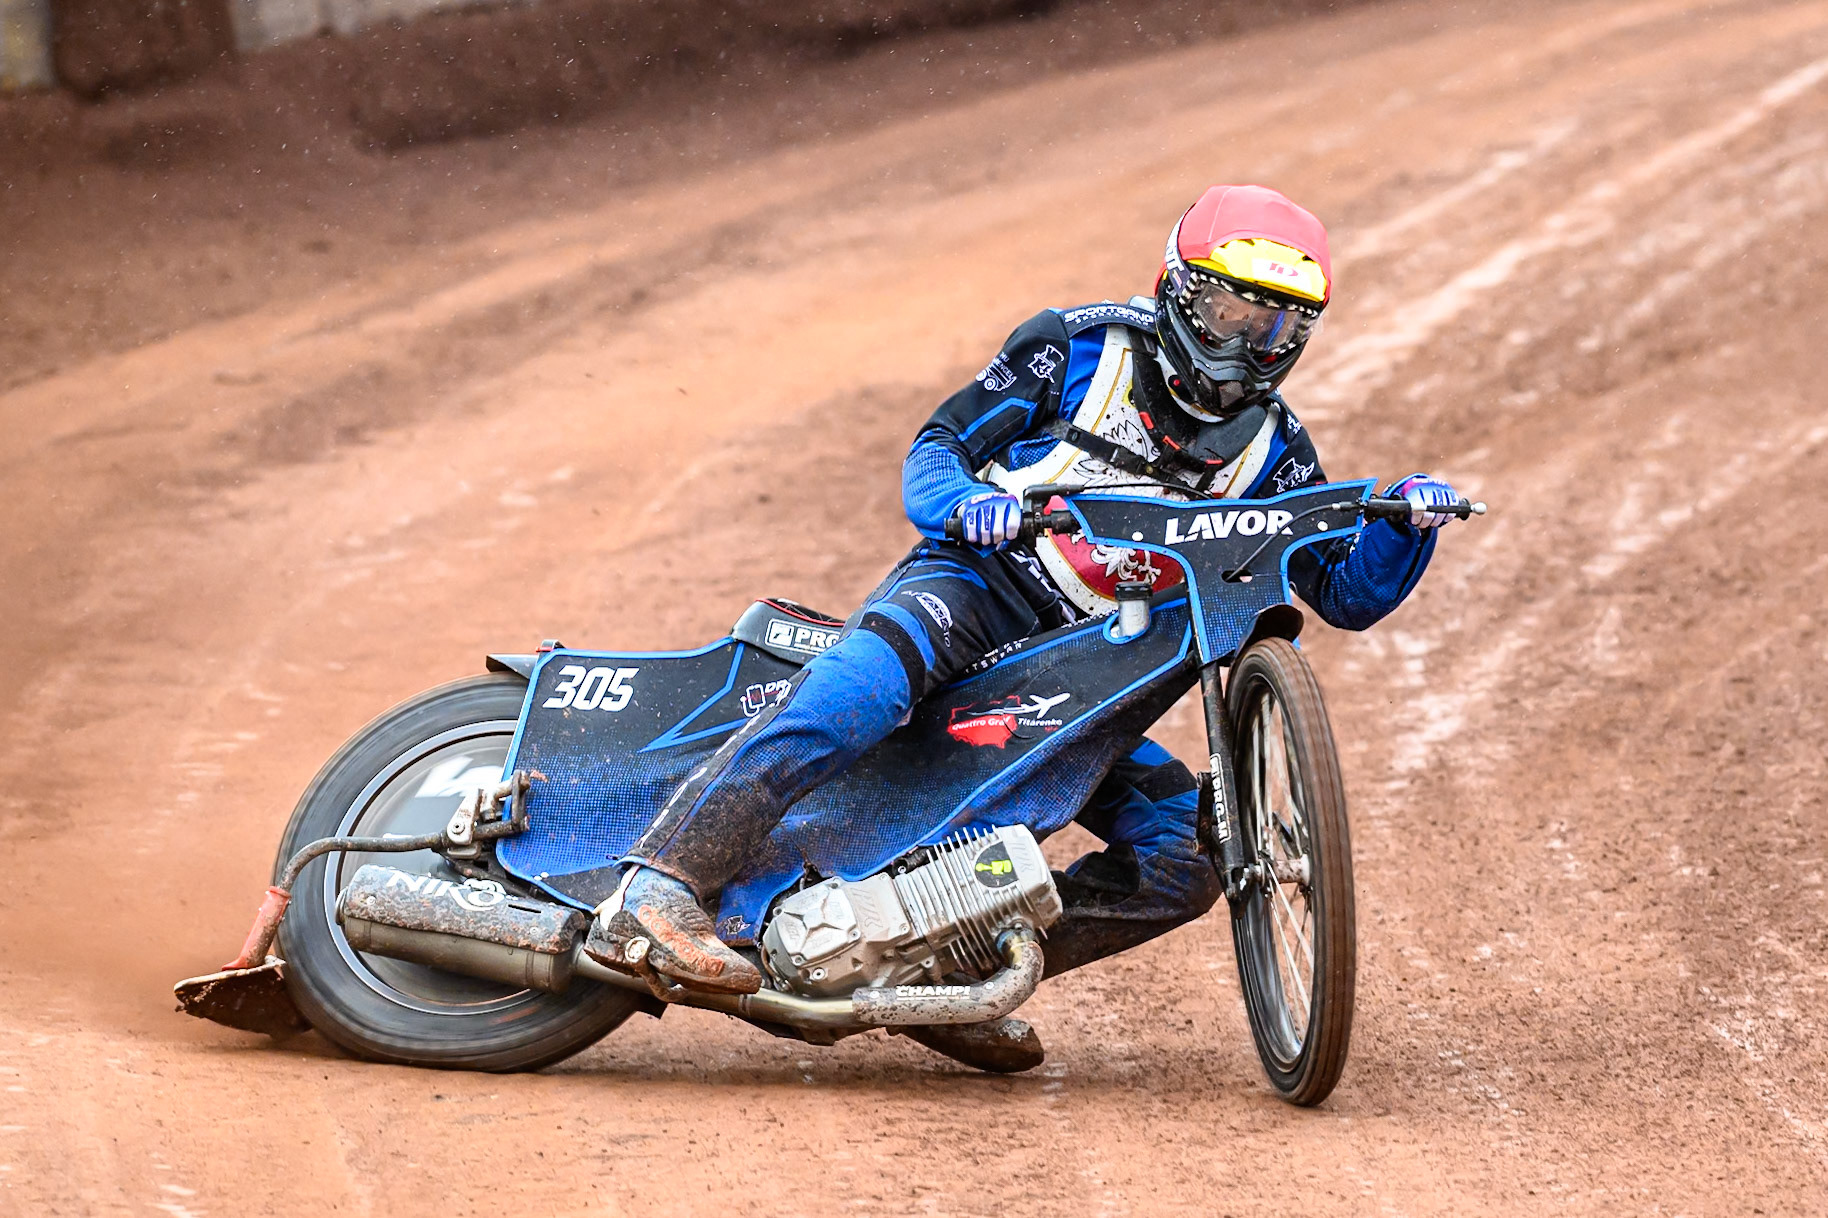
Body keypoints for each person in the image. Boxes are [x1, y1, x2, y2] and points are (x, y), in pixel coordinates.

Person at [585, 184, 1465, 1070]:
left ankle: (941, 972)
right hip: (973, 593)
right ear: (1177, 287)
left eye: (1277, 328)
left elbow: (1347, 597)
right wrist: (968, 505)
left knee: (1186, 856)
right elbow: (935, 451)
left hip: (1082, 677)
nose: (1248, 343)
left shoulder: (1276, 449)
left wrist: (1403, 527)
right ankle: (657, 888)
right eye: (1232, 310)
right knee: (860, 692)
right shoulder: (1076, 347)